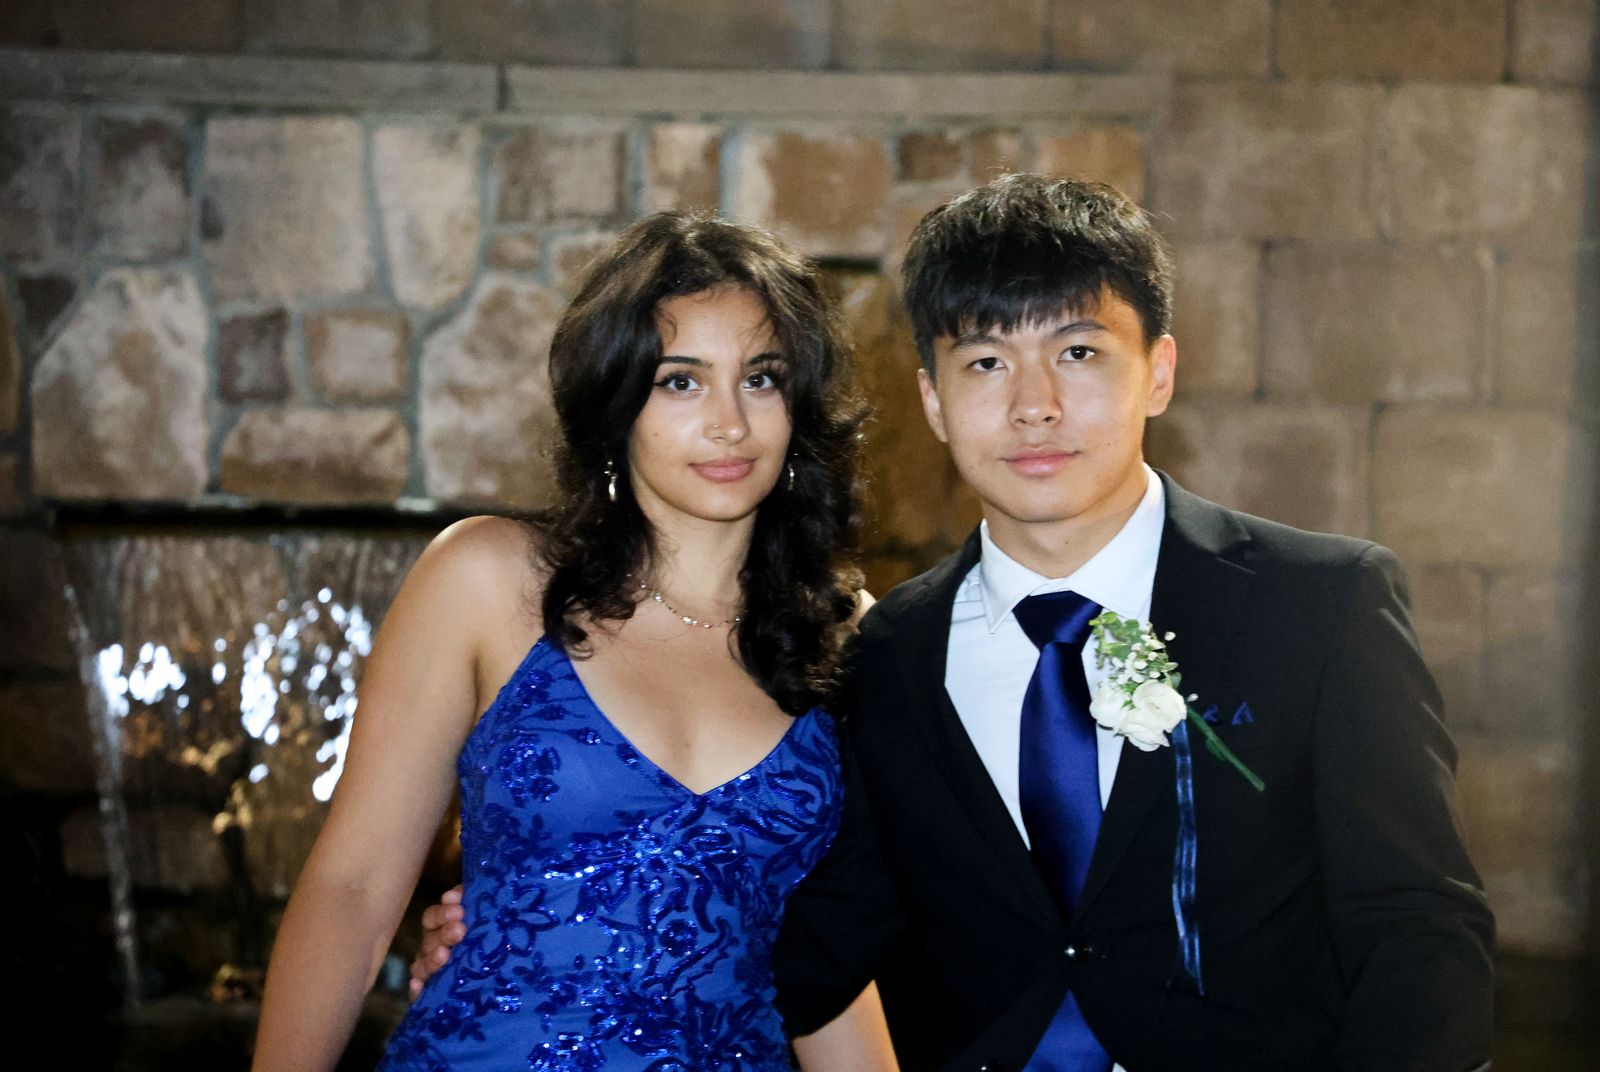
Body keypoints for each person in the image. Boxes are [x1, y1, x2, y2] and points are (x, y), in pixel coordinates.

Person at [418, 176, 1497, 1070]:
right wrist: (547, 918)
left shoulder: (1321, 604)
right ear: (933, 400)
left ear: (1159, 372)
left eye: (1078, 353)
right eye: (985, 361)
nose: (1033, 405)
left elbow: (1418, 930)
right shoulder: (886, 653)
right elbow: (811, 932)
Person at [251, 212, 898, 1072]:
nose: (729, 423)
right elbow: (353, 888)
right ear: (616, 402)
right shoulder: (487, 579)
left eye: (762, 378)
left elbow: (829, 966)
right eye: (680, 381)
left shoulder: (847, 635)